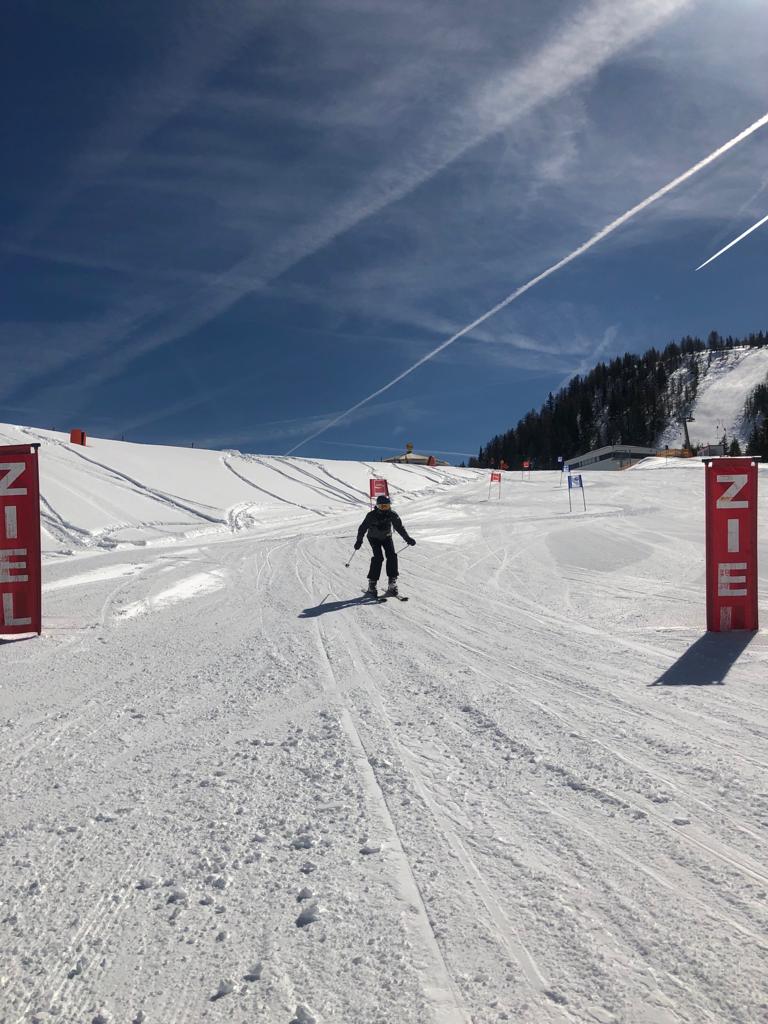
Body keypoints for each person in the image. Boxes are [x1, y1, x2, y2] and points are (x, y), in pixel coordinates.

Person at [354, 494, 416, 596]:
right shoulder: (371, 515)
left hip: (386, 538)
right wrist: (359, 541)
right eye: (382, 506)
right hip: (374, 538)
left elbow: (399, 527)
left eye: (386, 506)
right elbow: (362, 528)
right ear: (377, 506)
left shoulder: (392, 514)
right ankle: (372, 583)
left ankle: (392, 582)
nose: (384, 509)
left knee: (392, 556)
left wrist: (407, 538)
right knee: (378, 558)